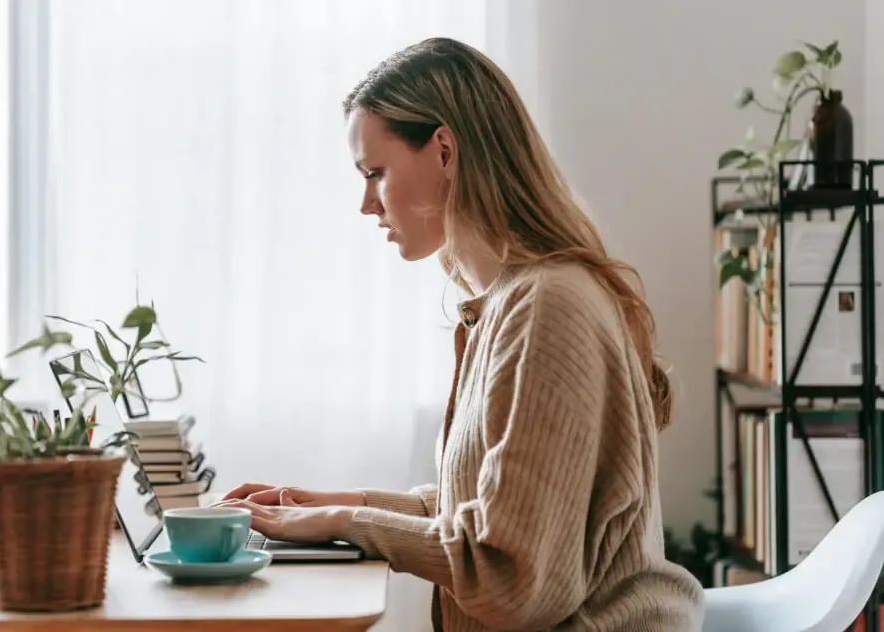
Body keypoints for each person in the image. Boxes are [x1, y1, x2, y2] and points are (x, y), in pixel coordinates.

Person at [216, 37, 705, 632]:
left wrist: (349, 526)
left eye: (376, 173)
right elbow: (489, 515)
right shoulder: (509, 302)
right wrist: (345, 505)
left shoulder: (549, 306)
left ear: (444, 150)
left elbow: (511, 581)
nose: (367, 204)